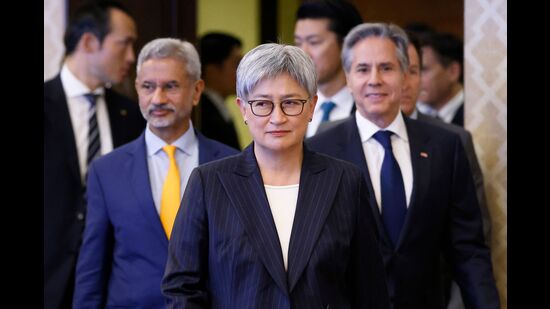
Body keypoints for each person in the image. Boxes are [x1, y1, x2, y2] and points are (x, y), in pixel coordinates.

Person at [162, 43, 390, 308]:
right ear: (243, 108)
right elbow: (182, 287)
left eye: (291, 103)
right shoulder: (209, 183)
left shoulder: (346, 182)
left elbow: (370, 290)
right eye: (262, 104)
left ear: (312, 106)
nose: (277, 117)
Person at [307, 23, 500, 309]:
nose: (374, 79)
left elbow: (468, 250)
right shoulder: (318, 150)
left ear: (406, 76)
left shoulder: (445, 147)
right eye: (362, 69)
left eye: (386, 68)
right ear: (348, 78)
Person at [72, 38, 239, 308]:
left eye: (170, 86)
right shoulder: (106, 171)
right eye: (148, 87)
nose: (157, 99)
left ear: (197, 91)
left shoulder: (233, 165)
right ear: (137, 89)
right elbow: (92, 269)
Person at [44, 2, 145, 308]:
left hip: (114, 282)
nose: (131, 57)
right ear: (89, 42)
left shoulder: (132, 116)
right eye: (124, 43)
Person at [401, 32, 491, 309]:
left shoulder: (450, 140)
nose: (402, 82)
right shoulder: (330, 137)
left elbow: (469, 242)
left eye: (414, 70)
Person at [294, 0, 363, 137]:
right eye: (298, 43)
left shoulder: (368, 109)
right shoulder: (293, 106)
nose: (303, 53)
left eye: (314, 42)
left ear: (346, 45)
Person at [195, 32, 243, 149]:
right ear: (212, 70)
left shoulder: (215, 106)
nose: (243, 71)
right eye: (237, 63)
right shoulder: (201, 113)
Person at [418, 32, 465, 126]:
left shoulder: (476, 114)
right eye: (413, 71)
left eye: (423, 70)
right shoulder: (410, 115)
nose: (417, 80)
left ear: (453, 71)